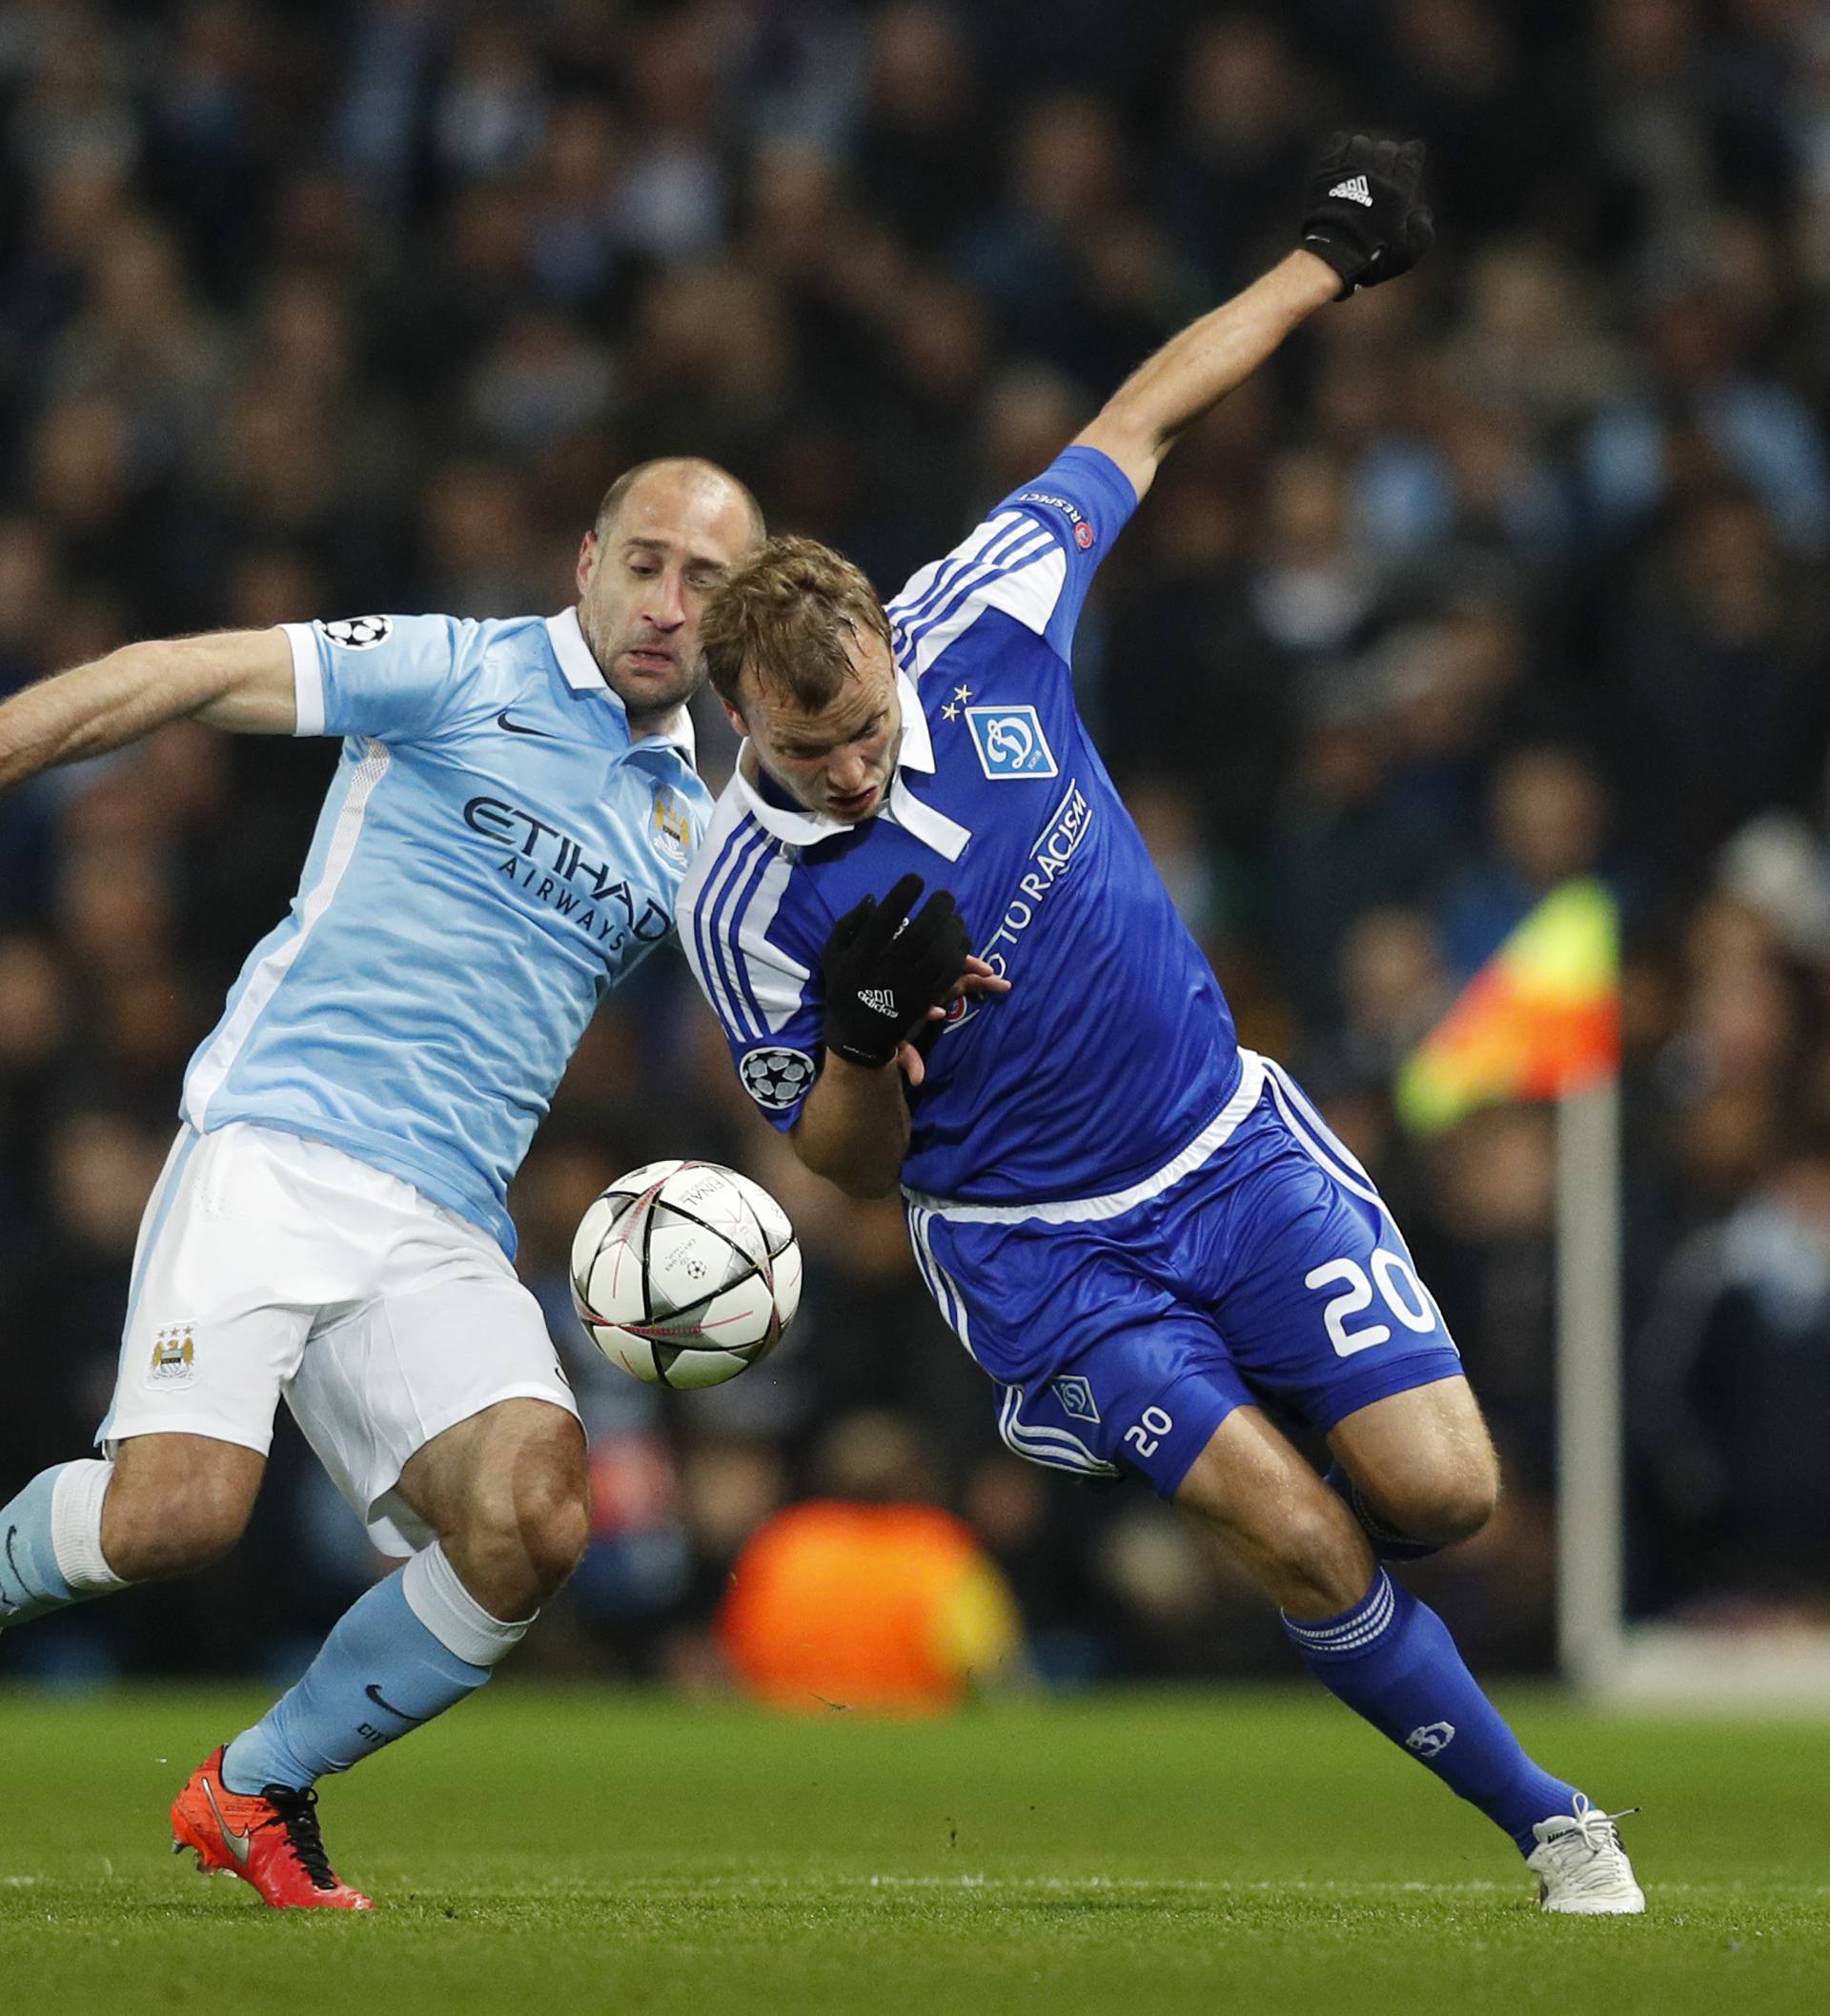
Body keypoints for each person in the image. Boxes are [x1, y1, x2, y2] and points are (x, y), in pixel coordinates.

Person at [680, 137, 1643, 1914]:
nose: (858, 766)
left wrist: (1318, 267)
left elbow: (1137, 425)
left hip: (1224, 1142)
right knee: (1294, 1529)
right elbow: (830, 1161)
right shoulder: (741, 903)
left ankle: (1268, 1401)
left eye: (871, 725)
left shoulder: (976, 618)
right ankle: (1554, 1822)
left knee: (1444, 1495)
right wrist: (865, 1038)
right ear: (743, 712)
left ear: (889, 644)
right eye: (814, 752)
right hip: (1043, 1252)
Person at [0, 456, 763, 1909]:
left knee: (533, 1517)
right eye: (649, 562)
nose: (670, 605)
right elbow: (173, 672)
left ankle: (254, 1787)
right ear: (587, 560)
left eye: (707, 583)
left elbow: (794, 1023)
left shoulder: (698, 830)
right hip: (278, 1146)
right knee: (174, 1517)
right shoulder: (452, 671)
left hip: (444, 1224)